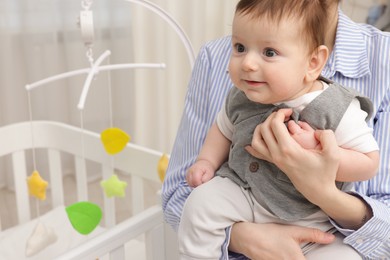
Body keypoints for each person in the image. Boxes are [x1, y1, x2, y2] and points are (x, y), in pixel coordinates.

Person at [162, 0, 390, 259]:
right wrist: (206, 161)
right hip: (245, 196)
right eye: (239, 48)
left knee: (344, 255)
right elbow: (222, 129)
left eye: (269, 53)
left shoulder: (337, 107)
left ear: (313, 62)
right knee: (200, 203)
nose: (247, 63)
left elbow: (369, 162)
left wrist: (322, 159)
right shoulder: (239, 92)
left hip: (315, 220)